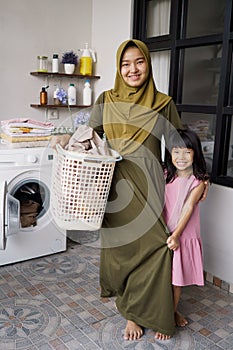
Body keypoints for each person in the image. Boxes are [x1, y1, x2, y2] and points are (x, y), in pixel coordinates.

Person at [51, 39, 207, 341]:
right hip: (114, 187)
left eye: (139, 62)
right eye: (125, 63)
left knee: (157, 249)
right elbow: (89, 137)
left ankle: (162, 306)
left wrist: (201, 177)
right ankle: (133, 313)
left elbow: (180, 144)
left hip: (150, 188)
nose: (132, 69)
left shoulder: (163, 103)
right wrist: (64, 141)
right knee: (124, 251)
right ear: (119, 68)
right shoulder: (107, 100)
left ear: (147, 65)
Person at [164, 128, 209, 328]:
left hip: (182, 235)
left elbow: (188, 207)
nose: (181, 157)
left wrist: (176, 235)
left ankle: (171, 313)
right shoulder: (165, 174)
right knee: (162, 276)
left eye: (187, 152)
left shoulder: (198, 182)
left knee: (176, 280)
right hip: (164, 233)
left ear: (195, 153)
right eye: (176, 151)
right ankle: (160, 309)